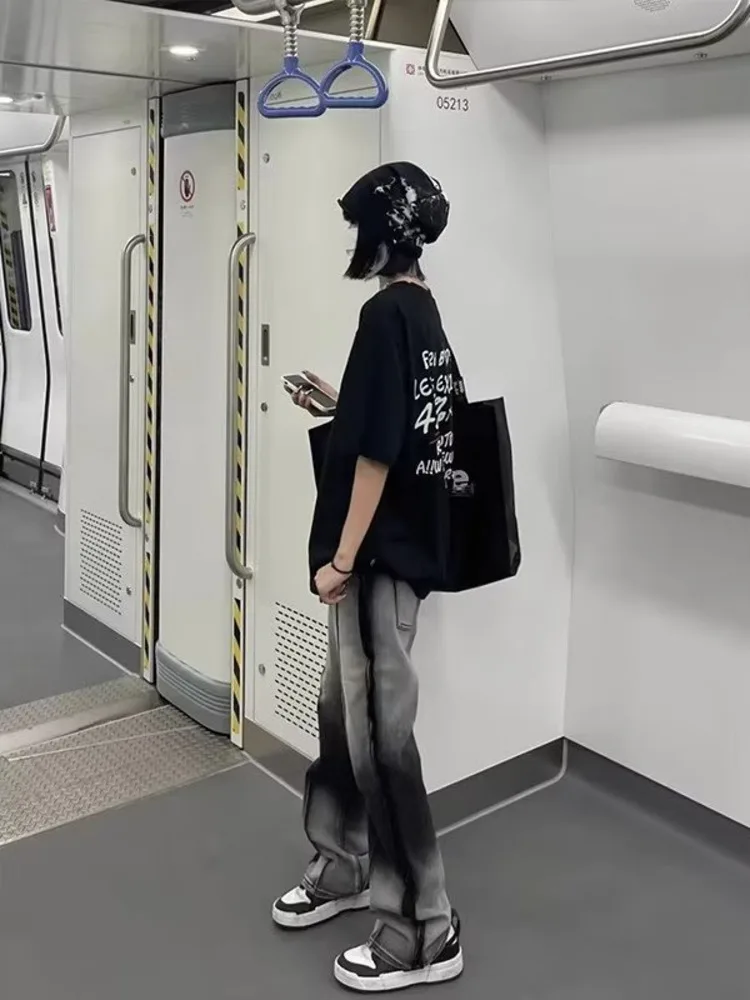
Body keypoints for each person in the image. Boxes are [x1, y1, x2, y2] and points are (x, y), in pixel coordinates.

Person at [272, 162, 465, 993]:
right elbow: (402, 421)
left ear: (383, 236)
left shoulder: (384, 312)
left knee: (383, 743)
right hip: (390, 561)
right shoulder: (422, 311)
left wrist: (341, 561)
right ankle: (344, 863)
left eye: (360, 228)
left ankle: (424, 927)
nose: (355, 242)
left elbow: (382, 456)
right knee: (340, 718)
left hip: (375, 566)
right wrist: (339, 402)